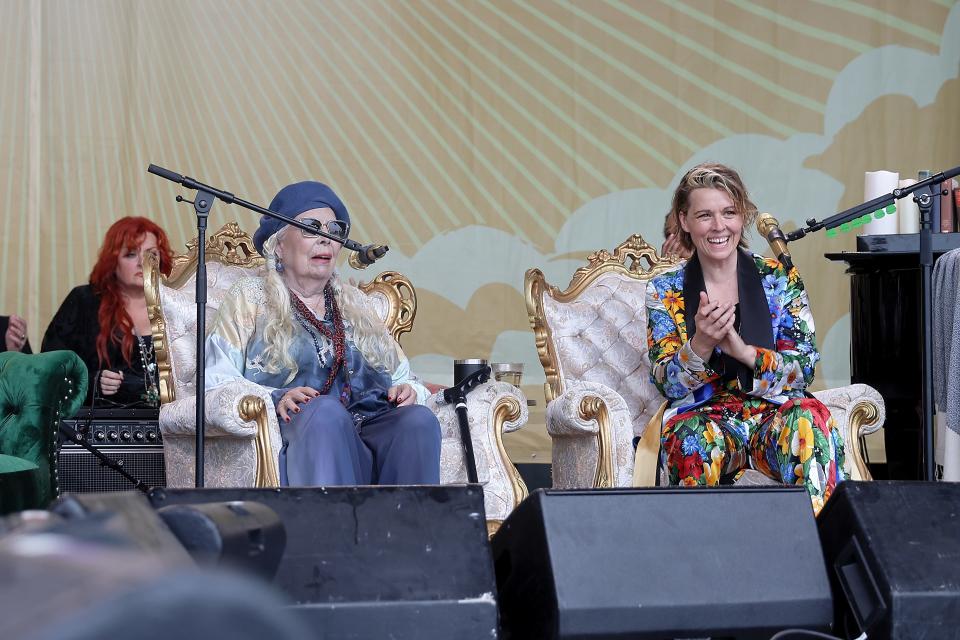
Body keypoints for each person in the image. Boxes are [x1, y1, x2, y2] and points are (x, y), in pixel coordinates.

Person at [205, 181, 441, 486]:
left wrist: (409, 391)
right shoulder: (250, 297)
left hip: (369, 423)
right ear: (278, 244)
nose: (325, 238)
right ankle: (332, 531)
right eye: (311, 227)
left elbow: (404, 377)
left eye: (334, 230)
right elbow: (215, 379)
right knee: (326, 414)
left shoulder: (355, 303)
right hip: (304, 426)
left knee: (417, 422)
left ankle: (409, 533)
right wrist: (274, 397)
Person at [645, 163, 845, 514]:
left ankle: (822, 550)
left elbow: (804, 368)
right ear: (684, 221)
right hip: (706, 416)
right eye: (704, 215)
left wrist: (744, 351)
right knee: (689, 438)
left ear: (743, 217)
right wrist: (701, 344)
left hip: (773, 414)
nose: (719, 226)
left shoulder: (779, 278)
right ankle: (703, 560)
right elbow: (666, 383)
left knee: (810, 420)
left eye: (729, 213)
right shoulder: (664, 289)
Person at [42, 217, 173, 408]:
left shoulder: (177, 304)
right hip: (97, 426)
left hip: (171, 427)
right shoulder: (84, 301)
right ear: (113, 262)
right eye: (130, 254)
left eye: (151, 254)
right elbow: (50, 368)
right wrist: (93, 381)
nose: (141, 263)